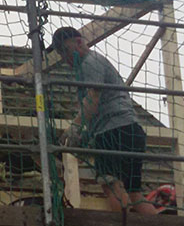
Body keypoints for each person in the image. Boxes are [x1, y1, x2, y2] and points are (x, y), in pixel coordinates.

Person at [51, 26, 157, 215]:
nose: (65, 58)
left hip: (112, 132)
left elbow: (93, 99)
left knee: (112, 186)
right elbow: (96, 108)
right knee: (134, 191)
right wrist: (85, 135)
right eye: (61, 54)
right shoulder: (95, 63)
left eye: (66, 51)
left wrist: (75, 127)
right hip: (130, 130)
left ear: (79, 42)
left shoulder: (89, 63)